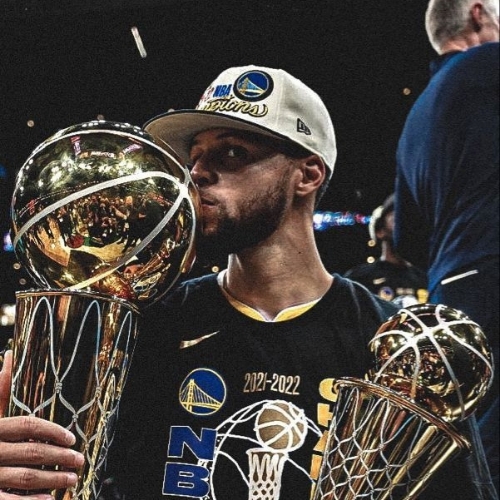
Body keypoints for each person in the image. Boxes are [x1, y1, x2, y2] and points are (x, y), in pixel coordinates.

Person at [0, 65, 489, 500]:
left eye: (232, 153)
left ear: (307, 174)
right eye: (194, 156)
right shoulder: (141, 325)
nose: (197, 173)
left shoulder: (394, 346)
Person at [393, 0, 499, 497]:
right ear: (478, 14)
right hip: (494, 269)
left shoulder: (416, 116)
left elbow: (407, 239)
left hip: (450, 294)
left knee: (472, 443)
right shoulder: (488, 63)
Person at [344, 193, 428, 307]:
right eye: (397, 218)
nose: (404, 226)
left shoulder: (425, 279)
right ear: (380, 231)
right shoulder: (359, 278)